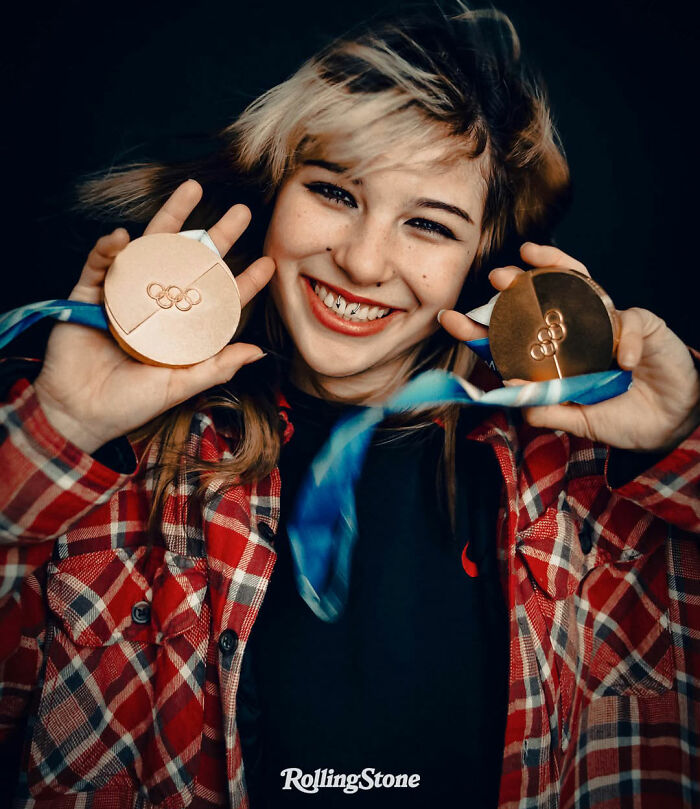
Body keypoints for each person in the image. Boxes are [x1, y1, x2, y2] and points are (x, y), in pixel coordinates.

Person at [1, 3, 698, 808]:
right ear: (275, 190)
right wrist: (57, 434)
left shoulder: (591, 482)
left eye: (429, 225)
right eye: (334, 191)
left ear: (484, 258)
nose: (365, 261)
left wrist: (684, 438)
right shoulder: (121, 459)